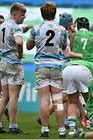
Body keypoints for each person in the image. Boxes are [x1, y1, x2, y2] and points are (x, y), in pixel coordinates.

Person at [26, 2, 82, 138]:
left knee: (44, 100)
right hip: (57, 66)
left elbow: (28, 46)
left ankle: (45, 130)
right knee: (58, 100)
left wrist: (35, 41)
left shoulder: (36, 29)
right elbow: (65, 48)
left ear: (41, 13)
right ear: (55, 13)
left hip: (42, 67)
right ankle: (62, 130)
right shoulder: (62, 30)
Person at [0, 3, 27, 134]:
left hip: (3, 63)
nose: (24, 17)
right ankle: (13, 126)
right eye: (22, 14)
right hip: (14, 64)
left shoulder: (1, 26)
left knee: (5, 96)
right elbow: (19, 42)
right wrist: (20, 54)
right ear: (15, 14)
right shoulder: (16, 27)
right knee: (14, 97)